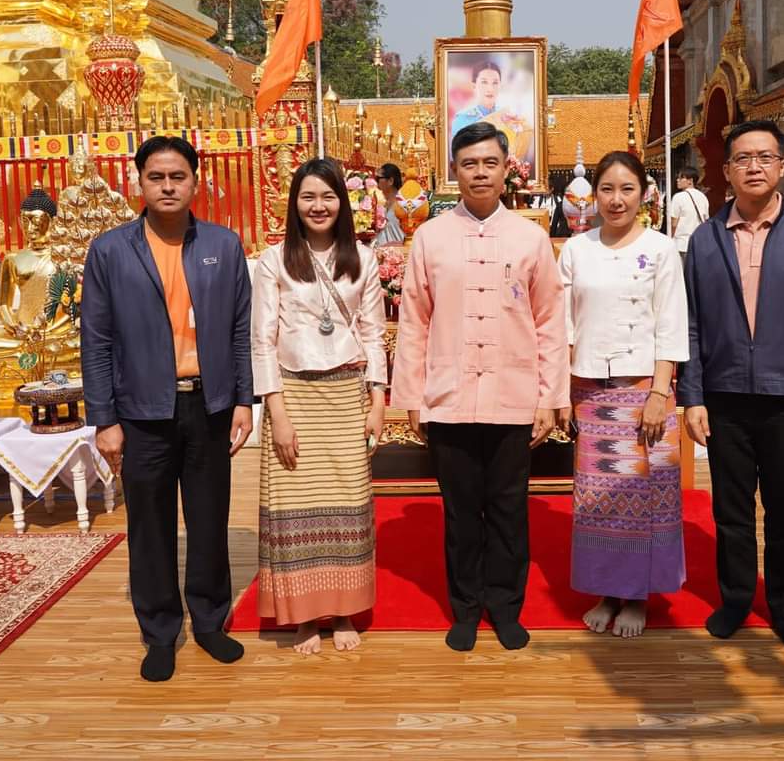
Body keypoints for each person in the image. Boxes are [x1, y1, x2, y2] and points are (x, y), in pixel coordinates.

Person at [81, 135, 255, 682]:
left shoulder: (223, 247)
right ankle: (159, 631)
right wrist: (103, 419)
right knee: (150, 526)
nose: (167, 186)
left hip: (208, 405)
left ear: (195, 182)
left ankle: (208, 622)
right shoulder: (111, 250)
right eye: (156, 177)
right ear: (139, 183)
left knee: (209, 521)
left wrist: (243, 400)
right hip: (141, 411)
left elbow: (239, 331)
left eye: (177, 176)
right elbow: (96, 339)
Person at [391, 121, 569, 652]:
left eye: (490, 162)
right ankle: (466, 607)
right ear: (455, 171)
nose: (480, 173)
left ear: (505, 168)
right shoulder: (430, 237)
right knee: (461, 512)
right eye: (469, 164)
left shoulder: (531, 238)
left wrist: (550, 396)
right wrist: (412, 399)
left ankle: (506, 606)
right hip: (448, 399)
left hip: (514, 398)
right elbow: (414, 321)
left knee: (511, 509)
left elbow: (549, 323)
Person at [681, 120, 784, 655]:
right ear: (725, 171)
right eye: (742, 158)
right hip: (725, 398)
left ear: (781, 167)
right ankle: (734, 600)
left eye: (764, 157)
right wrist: (694, 396)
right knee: (729, 512)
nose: (754, 166)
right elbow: (692, 324)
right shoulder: (705, 240)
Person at [252, 158, 387, 656]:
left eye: (327, 197)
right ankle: (304, 616)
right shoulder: (274, 260)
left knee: (350, 506)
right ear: (294, 203)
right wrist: (277, 413)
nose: (318, 206)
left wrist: (378, 402)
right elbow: (261, 342)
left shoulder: (364, 259)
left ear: (342, 203)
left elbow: (374, 333)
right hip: (295, 393)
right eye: (308, 197)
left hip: (347, 391)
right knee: (296, 510)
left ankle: (346, 609)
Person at [559, 150, 688, 638]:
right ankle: (607, 591)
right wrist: (566, 390)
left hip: (643, 391)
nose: (616, 199)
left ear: (644, 194)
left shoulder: (660, 249)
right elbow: (565, 324)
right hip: (591, 392)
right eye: (607, 189)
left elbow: (672, 322)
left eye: (627, 189)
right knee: (598, 500)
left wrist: (660, 391)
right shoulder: (577, 249)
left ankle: (637, 597)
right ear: (593, 195)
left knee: (642, 497)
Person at [669, 167, 710, 269]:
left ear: (690, 181)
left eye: (681, 178)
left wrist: (670, 239)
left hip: (681, 244)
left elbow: (674, 223)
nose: (677, 180)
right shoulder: (703, 197)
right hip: (698, 245)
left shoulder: (678, 197)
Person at [374, 162, 406, 247]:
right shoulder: (380, 204)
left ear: (390, 181)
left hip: (399, 253)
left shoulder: (403, 204)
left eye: (379, 178)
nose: (376, 182)